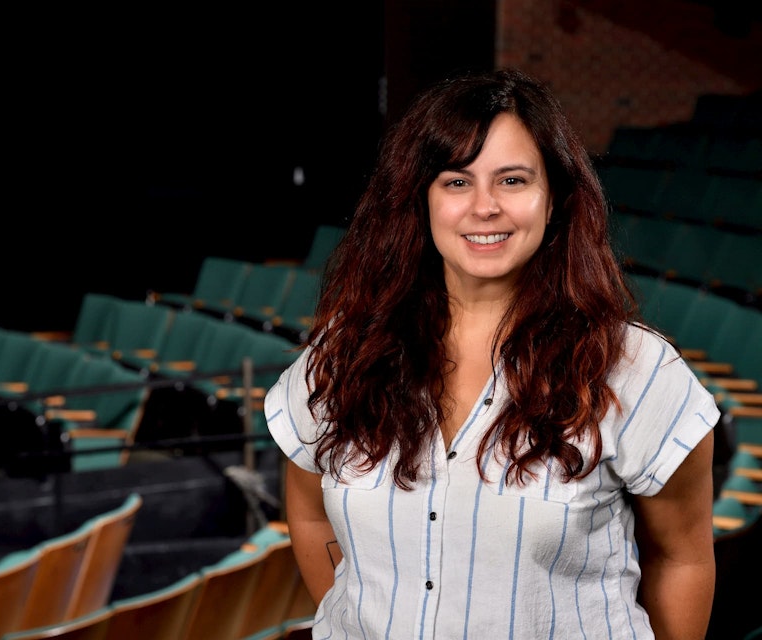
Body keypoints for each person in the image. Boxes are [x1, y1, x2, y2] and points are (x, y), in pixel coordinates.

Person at [264, 67, 720, 639]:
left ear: (553, 199)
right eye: (456, 181)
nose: (485, 207)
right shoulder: (344, 353)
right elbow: (307, 513)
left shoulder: (636, 370)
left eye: (512, 180)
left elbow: (682, 559)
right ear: (420, 200)